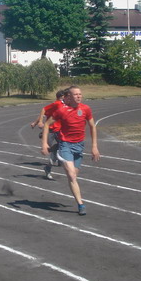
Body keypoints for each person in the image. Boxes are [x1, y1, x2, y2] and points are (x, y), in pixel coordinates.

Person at [41, 86, 100, 216]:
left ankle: (67, 171)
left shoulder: (86, 109)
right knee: (72, 175)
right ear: (69, 97)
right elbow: (46, 124)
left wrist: (94, 146)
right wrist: (44, 143)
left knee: (73, 176)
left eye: (80, 94)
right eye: (76, 94)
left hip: (79, 146)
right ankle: (81, 204)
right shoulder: (62, 110)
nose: (79, 96)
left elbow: (92, 127)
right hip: (65, 145)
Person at [31, 90, 65, 180]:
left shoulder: (67, 106)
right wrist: (39, 122)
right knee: (47, 150)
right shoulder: (57, 104)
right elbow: (44, 110)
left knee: (63, 145)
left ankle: (56, 157)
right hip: (50, 130)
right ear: (61, 97)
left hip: (59, 130)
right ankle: (53, 156)